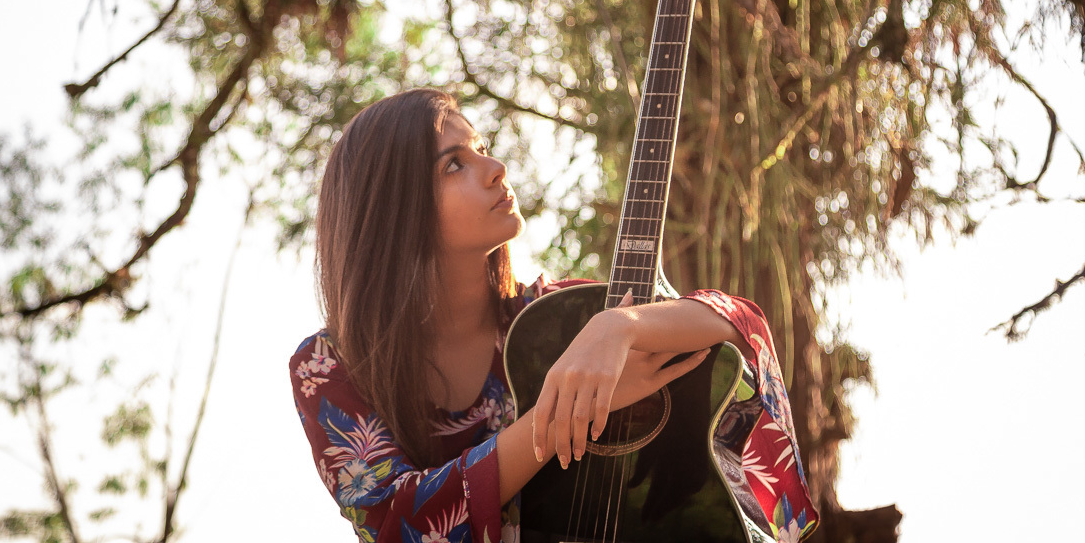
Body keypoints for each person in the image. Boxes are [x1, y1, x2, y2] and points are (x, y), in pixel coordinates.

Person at [289, 88, 818, 543]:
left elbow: (739, 327)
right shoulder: (329, 367)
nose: (496, 169)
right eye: (454, 164)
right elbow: (395, 523)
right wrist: (563, 414)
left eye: (483, 149)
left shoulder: (558, 319)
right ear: (392, 207)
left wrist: (620, 326)